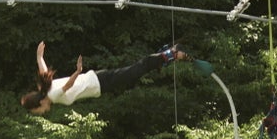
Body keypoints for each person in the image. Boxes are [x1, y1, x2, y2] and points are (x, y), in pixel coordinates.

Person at [21, 41, 191, 115]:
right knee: (133, 73)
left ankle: (169, 54)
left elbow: (67, 85)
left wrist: (77, 71)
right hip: (98, 81)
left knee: (134, 72)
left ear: (39, 104)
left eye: (37, 111)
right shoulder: (45, 89)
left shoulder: (52, 95)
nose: (41, 113)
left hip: (99, 82)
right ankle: (165, 54)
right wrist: (39, 57)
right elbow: (43, 70)